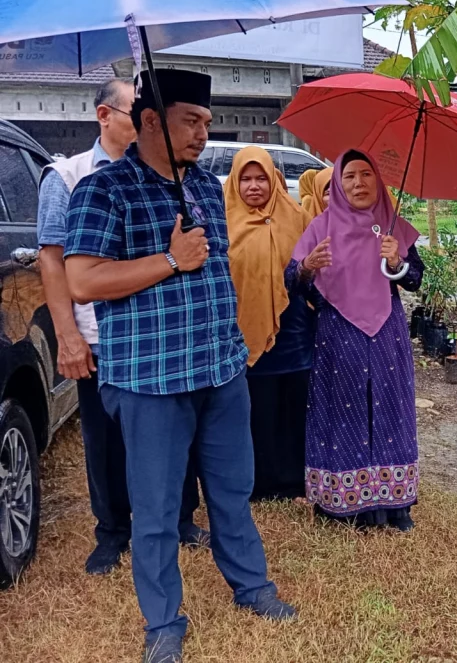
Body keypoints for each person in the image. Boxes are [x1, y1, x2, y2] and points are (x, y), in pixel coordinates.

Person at [64, 70, 295, 663]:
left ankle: (251, 586)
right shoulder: (104, 190)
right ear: (150, 121)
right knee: (157, 508)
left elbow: (217, 271)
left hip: (221, 370)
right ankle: (163, 620)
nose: (202, 132)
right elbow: (82, 280)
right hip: (151, 380)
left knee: (232, 491)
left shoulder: (204, 187)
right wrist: (169, 259)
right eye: (191, 120)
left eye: (206, 121)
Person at [35, 79, 207, 576]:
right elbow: (52, 261)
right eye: (137, 110)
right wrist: (68, 336)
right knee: (106, 439)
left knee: (177, 429)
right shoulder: (69, 177)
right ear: (104, 115)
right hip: (99, 334)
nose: (147, 118)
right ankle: (112, 530)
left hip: (161, 334)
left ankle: (181, 517)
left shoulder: (169, 174)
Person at [288, 151, 423, 531]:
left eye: (366, 174)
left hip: (386, 333)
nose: (359, 183)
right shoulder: (321, 228)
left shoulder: (392, 226)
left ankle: (394, 506)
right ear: (337, 183)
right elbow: (293, 283)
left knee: (390, 409)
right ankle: (344, 504)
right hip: (338, 333)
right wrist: (307, 267)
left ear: (378, 180)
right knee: (343, 411)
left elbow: (415, 279)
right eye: (349, 176)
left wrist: (397, 262)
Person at [223, 146, 313, 501]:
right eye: (245, 179)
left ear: (275, 180)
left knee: (293, 406)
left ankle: (292, 480)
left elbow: (313, 275)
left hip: (292, 331)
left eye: (261, 178)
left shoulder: (296, 216)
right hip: (244, 330)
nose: (254, 186)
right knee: (256, 409)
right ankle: (258, 483)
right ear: (235, 182)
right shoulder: (224, 220)